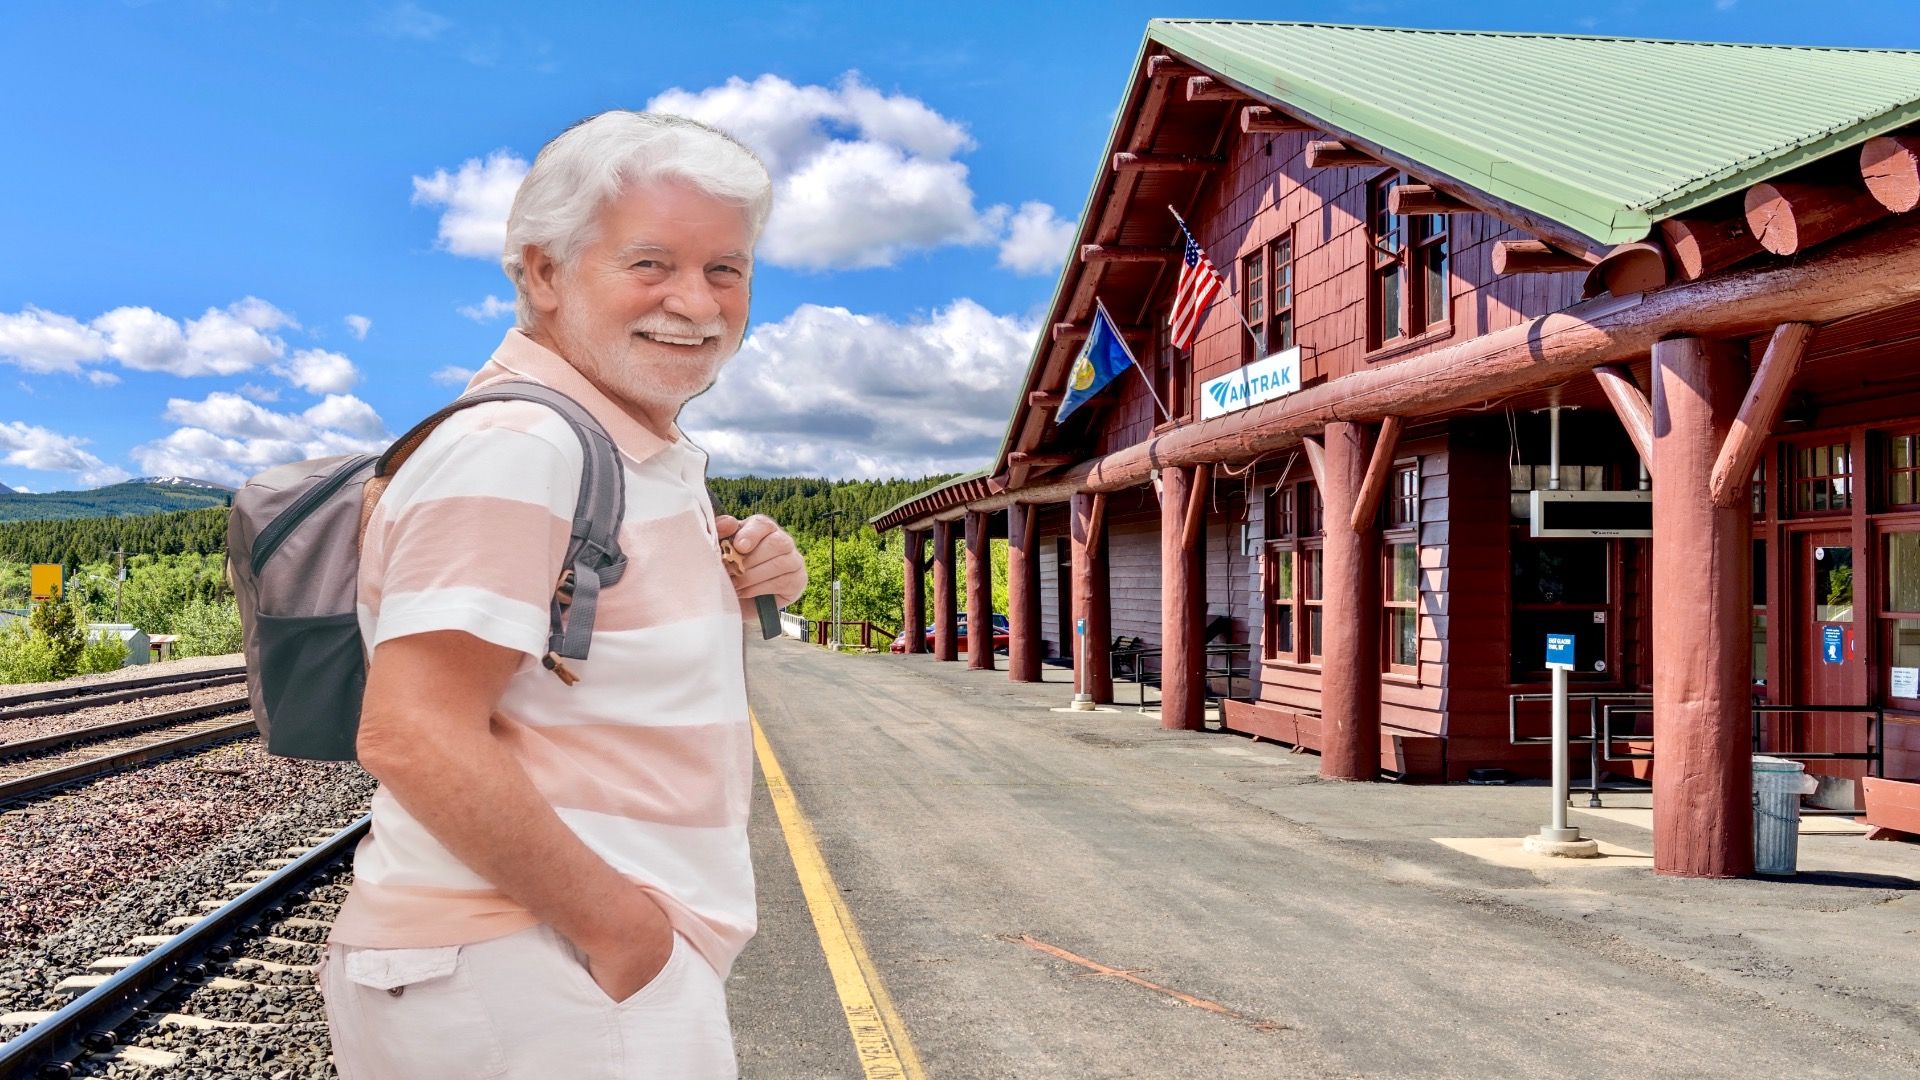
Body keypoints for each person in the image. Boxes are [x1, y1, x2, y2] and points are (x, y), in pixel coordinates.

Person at [317, 111, 806, 1079]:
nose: (697, 304)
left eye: (726, 269)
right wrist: (630, 942)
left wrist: (745, 576)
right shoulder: (524, 447)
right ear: (543, 274)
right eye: (650, 264)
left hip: (553, 978)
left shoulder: (615, 446)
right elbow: (413, 733)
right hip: (544, 976)